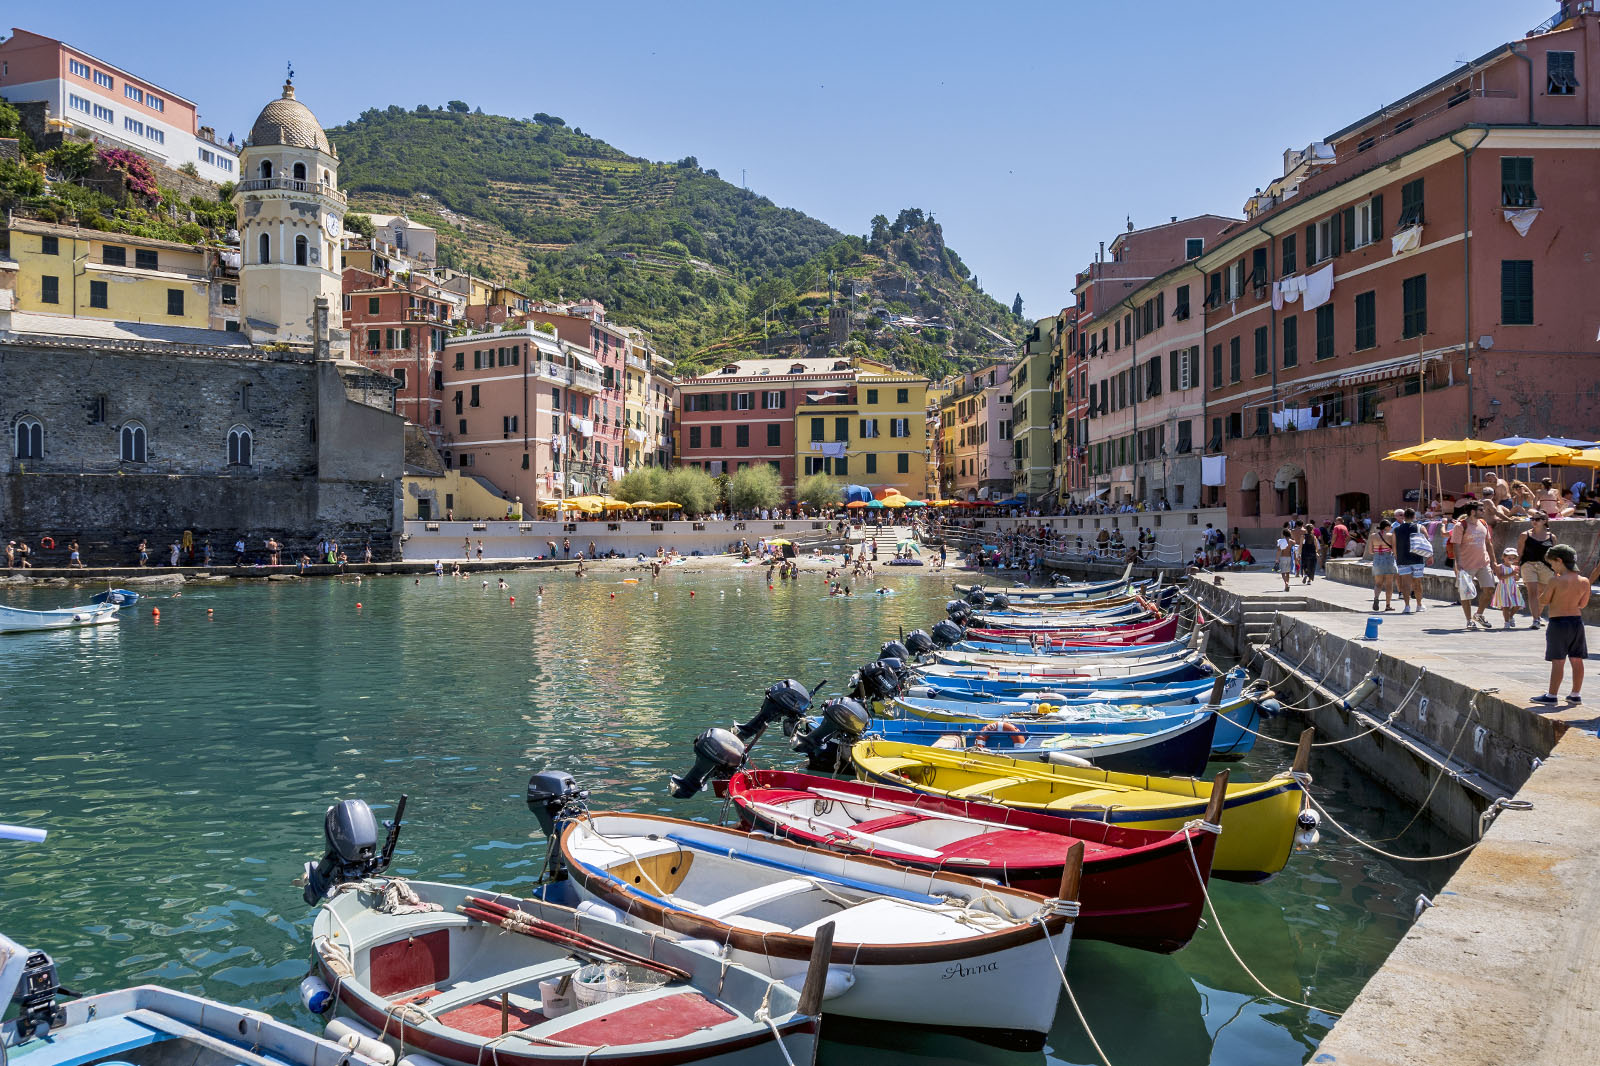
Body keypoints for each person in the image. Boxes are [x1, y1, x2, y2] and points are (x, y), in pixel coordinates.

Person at [1532, 544, 1589, 704]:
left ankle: (1551, 695)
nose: (1552, 567)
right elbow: (1582, 604)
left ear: (1559, 560)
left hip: (1558, 623)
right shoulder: (1584, 581)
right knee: (1577, 659)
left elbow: (1544, 600)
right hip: (1576, 622)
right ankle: (1575, 694)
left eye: (1552, 563)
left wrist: (1545, 589)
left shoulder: (1555, 580)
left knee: (1558, 660)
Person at [1446, 502, 1496, 630]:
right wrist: (1459, 563)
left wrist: (1493, 561)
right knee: (1465, 593)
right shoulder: (1460, 526)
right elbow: (1456, 545)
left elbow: (1488, 543)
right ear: (1473, 511)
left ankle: (1478, 614)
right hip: (1466, 564)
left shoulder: (1483, 524)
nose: (1483, 511)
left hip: (1484, 563)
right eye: (1481, 509)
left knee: (1489, 589)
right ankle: (1469, 620)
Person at [1517, 514, 1556, 630]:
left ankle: (1538, 616)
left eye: (1537, 519)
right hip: (1528, 565)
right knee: (1532, 593)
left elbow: (1554, 555)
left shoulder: (1552, 537)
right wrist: (1515, 568)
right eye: (1532, 519)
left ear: (1544, 521)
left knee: (1542, 594)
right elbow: (1519, 553)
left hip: (1546, 567)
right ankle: (1536, 619)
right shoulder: (1525, 535)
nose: (1534, 521)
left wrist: (1558, 569)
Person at [1392, 508, 1427, 614]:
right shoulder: (1420, 527)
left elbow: (1394, 546)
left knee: (1405, 583)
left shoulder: (1396, 530)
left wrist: (1398, 558)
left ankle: (1407, 606)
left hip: (1402, 559)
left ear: (1404, 517)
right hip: (1417, 558)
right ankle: (1419, 605)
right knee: (1417, 582)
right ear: (1414, 517)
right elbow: (1427, 540)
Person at [1368, 519, 1398, 611]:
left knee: (1378, 583)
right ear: (1386, 527)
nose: (1391, 528)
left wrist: (1378, 551)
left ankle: (1376, 598)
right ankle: (1387, 605)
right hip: (1388, 559)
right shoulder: (1391, 535)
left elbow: (1370, 551)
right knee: (1389, 584)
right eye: (1390, 526)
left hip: (1377, 559)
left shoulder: (1373, 536)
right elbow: (1394, 550)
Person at [1492, 548, 1525, 629]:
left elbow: (1516, 579)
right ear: (1504, 557)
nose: (1511, 560)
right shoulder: (1500, 566)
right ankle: (1506, 622)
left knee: (1518, 604)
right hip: (1503, 588)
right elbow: (1500, 577)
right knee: (1505, 606)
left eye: (1513, 558)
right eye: (1509, 558)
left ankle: (1511, 616)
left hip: (1513, 587)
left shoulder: (1515, 567)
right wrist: (1512, 574)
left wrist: (1516, 575)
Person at [1275, 525, 1293, 591]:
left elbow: (1279, 550)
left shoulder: (1281, 541)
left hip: (1283, 558)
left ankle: (1286, 583)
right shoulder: (1292, 542)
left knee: (1283, 573)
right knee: (1288, 572)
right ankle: (1286, 586)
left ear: (1283, 534)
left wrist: (1277, 559)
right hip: (1289, 558)